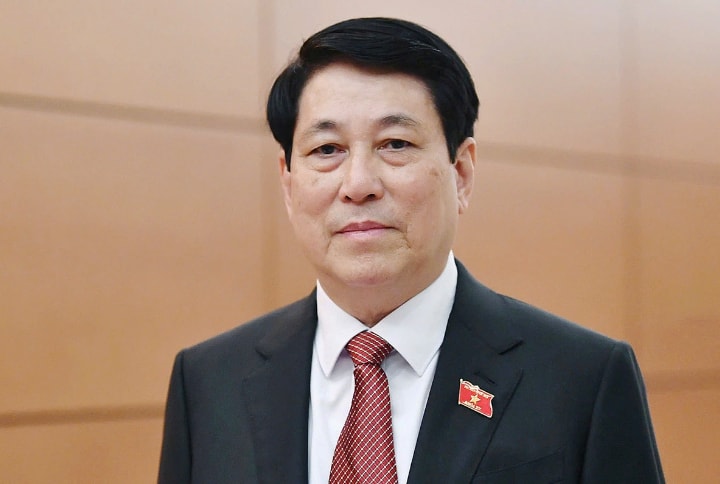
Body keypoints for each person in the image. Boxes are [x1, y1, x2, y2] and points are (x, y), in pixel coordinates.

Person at [158, 17, 664, 483]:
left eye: (395, 144)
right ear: (288, 185)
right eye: (326, 150)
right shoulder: (207, 381)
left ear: (461, 174)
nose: (358, 184)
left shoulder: (583, 379)